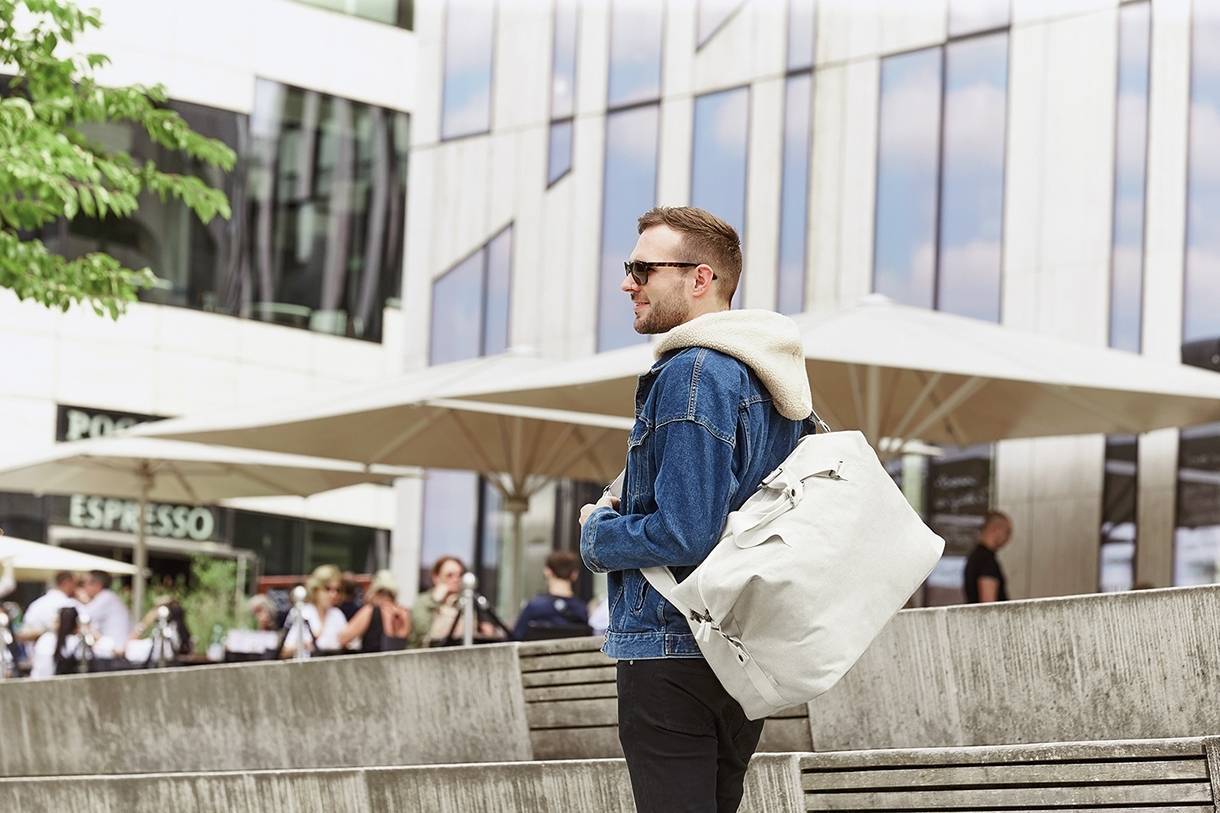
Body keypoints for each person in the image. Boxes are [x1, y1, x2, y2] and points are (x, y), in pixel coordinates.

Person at [578, 206, 814, 813]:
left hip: (673, 645)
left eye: (641, 269)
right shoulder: (770, 378)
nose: (628, 283)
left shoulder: (693, 371)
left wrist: (597, 535)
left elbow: (685, 531)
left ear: (700, 278)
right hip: (737, 647)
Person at [512, 551, 590, 641]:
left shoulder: (534, 607)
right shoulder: (581, 609)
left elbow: (515, 639)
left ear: (547, 571)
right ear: (575, 574)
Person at [281, 564, 347, 656]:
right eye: (327, 589)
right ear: (316, 589)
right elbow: (284, 652)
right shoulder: (301, 612)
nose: (333, 594)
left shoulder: (337, 614)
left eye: (337, 590)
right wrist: (302, 645)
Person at [338, 569, 410, 652]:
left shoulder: (370, 611)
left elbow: (343, 638)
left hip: (373, 663)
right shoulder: (404, 613)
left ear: (374, 592)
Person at [409, 555, 465, 648]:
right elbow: (423, 634)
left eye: (459, 575)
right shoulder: (423, 602)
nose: (456, 580)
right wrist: (435, 601)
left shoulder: (463, 603)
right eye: (449, 575)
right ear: (436, 577)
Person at [964, 510, 1013, 603]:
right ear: (996, 529)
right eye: (1007, 532)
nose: (1009, 538)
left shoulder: (975, 556)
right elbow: (988, 602)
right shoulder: (986, 560)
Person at [19, 571, 80, 644]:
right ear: (67, 583)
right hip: (60, 649)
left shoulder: (37, 604)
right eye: (76, 584)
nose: (77, 588)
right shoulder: (70, 604)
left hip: (37, 650)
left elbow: (23, 633)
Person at [81, 570, 131, 644]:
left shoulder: (106, 597)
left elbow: (81, 616)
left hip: (115, 650)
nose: (84, 587)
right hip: (115, 647)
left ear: (98, 585)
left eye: (86, 583)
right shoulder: (109, 596)